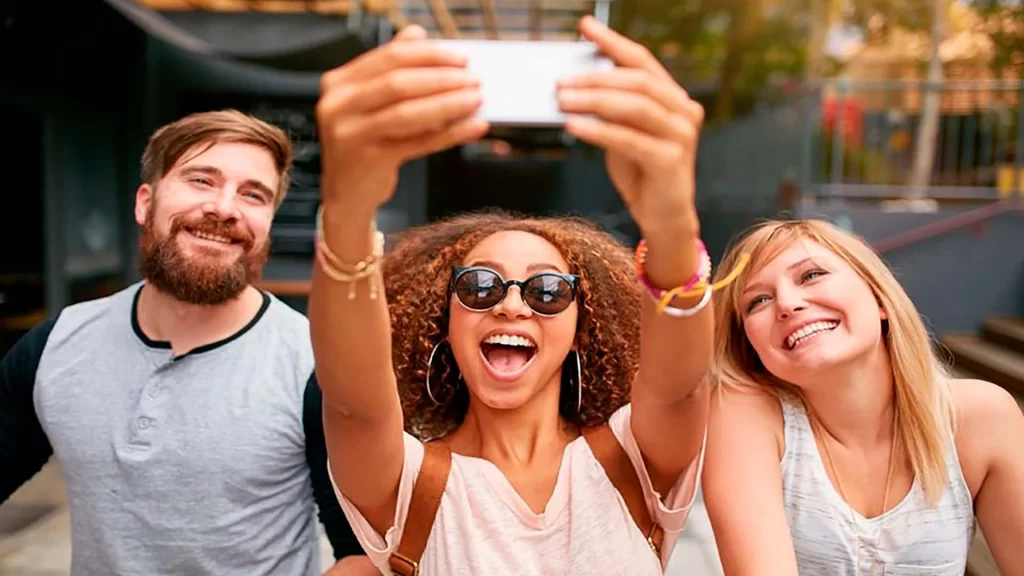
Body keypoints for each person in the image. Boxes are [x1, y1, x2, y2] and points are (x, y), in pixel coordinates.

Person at [310, 16, 715, 575]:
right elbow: (354, 405)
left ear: (581, 331)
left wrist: (670, 222)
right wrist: (347, 209)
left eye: (548, 291)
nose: (512, 304)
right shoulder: (407, 486)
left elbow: (682, 388)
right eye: (480, 286)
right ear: (444, 325)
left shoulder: (632, 461)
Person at [0, 110, 372, 575]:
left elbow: (364, 554)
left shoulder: (315, 365)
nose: (225, 208)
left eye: (253, 194)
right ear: (144, 203)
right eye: (201, 180)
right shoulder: (55, 346)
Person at [701, 219, 1024, 575]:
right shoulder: (745, 417)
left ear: (879, 297)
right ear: (750, 345)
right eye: (758, 301)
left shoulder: (981, 417)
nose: (787, 304)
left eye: (811, 275)